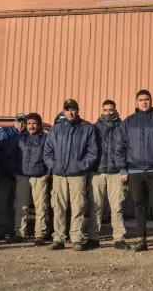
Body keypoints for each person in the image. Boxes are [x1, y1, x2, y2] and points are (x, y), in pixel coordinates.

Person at [115, 89, 153, 254]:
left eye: (147, 99)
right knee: (139, 205)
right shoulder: (128, 122)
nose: (144, 102)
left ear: (151, 101)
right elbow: (120, 147)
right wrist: (123, 168)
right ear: (136, 102)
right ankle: (140, 239)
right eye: (141, 100)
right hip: (134, 171)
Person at [44, 99, 99, 251]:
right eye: (67, 109)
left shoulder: (86, 128)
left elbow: (92, 152)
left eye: (73, 109)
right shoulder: (56, 129)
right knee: (58, 207)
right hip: (59, 174)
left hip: (77, 175)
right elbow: (47, 151)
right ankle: (59, 238)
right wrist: (54, 166)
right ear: (63, 111)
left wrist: (81, 166)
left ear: (78, 110)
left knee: (78, 206)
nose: (70, 112)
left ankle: (76, 238)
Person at [88, 100, 129, 250]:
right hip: (97, 171)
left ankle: (119, 238)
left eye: (111, 110)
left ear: (115, 110)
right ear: (102, 110)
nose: (108, 112)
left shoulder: (122, 127)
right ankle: (93, 237)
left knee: (116, 206)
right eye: (105, 110)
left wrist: (124, 169)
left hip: (115, 172)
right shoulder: (94, 128)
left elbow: (126, 148)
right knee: (95, 206)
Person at [14, 112, 50, 245]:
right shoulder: (20, 138)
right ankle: (19, 233)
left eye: (34, 123)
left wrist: (47, 173)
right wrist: (16, 171)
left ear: (39, 125)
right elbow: (15, 156)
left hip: (39, 176)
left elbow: (50, 156)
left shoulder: (46, 138)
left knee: (41, 207)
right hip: (22, 175)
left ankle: (40, 234)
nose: (31, 126)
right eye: (29, 123)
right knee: (20, 206)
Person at [0, 114, 25, 242]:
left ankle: (15, 230)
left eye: (23, 122)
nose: (21, 124)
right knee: (2, 203)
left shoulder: (27, 134)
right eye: (18, 121)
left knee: (19, 205)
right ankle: (0, 230)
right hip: (5, 174)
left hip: (21, 174)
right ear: (14, 121)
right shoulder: (4, 132)